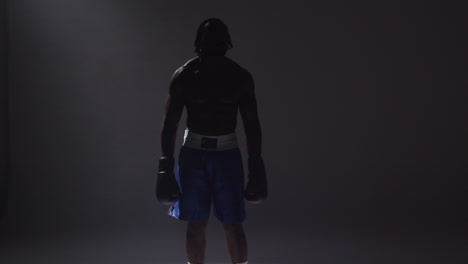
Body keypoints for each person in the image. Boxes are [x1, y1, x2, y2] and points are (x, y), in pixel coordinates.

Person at [156, 18, 268, 264]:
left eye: (218, 45)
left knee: (233, 224)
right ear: (199, 46)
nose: (214, 50)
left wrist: (256, 165)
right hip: (193, 155)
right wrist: (165, 166)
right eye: (210, 45)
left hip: (227, 155)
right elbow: (170, 125)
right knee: (195, 225)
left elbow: (252, 125)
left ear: (227, 46)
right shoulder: (184, 76)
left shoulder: (240, 78)